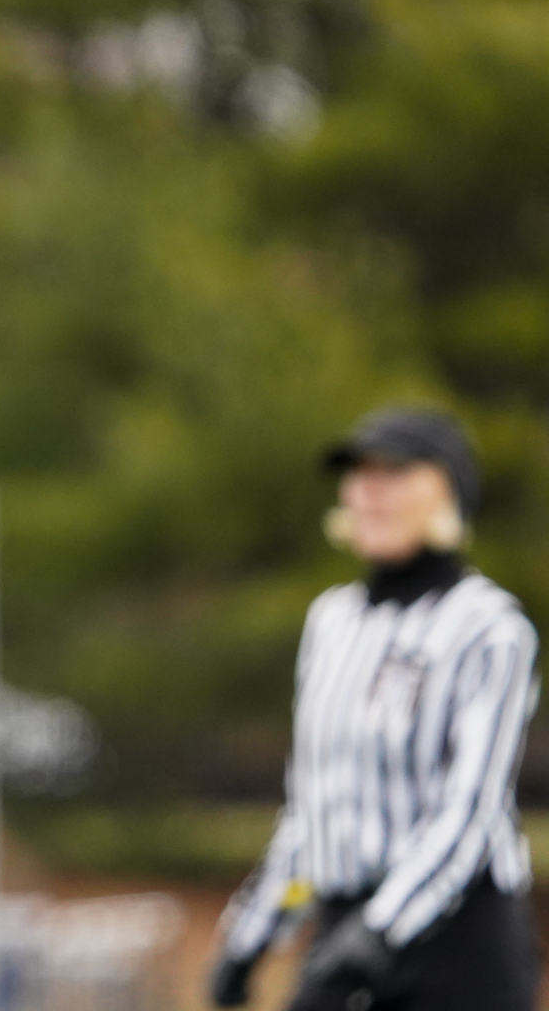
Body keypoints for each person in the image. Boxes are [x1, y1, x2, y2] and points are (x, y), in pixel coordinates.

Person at [208, 406, 539, 1011]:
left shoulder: (489, 628)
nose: (369, 491)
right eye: (359, 474)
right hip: (344, 929)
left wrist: (383, 927)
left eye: (394, 473)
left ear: (447, 491)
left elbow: (469, 808)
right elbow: (314, 814)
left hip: (458, 941)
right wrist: (255, 931)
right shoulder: (332, 622)